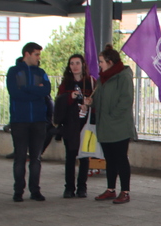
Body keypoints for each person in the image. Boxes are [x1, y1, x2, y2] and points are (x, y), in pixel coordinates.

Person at [84, 46, 134, 204]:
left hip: (119, 126)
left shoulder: (123, 77)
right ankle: (110, 189)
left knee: (121, 158)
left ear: (110, 62)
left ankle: (125, 191)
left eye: (101, 62)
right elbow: (99, 99)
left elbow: (126, 100)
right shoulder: (102, 79)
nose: (99, 65)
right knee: (109, 159)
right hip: (104, 125)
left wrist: (112, 116)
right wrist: (91, 102)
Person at [6, 42, 51, 202]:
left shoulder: (41, 72)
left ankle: (35, 190)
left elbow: (46, 90)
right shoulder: (13, 71)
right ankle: (18, 191)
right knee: (20, 157)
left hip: (39, 121)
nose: (39, 58)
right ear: (27, 54)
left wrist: (26, 88)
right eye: (36, 54)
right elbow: (15, 93)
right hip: (19, 121)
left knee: (36, 158)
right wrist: (35, 91)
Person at [54, 53, 95, 198]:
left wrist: (89, 104)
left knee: (84, 156)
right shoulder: (66, 83)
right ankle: (69, 187)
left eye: (77, 63)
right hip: (70, 125)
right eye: (72, 63)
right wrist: (69, 97)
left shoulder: (91, 82)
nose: (75, 66)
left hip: (86, 125)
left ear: (83, 65)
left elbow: (97, 100)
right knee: (70, 156)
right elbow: (59, 102)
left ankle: (82, 187)